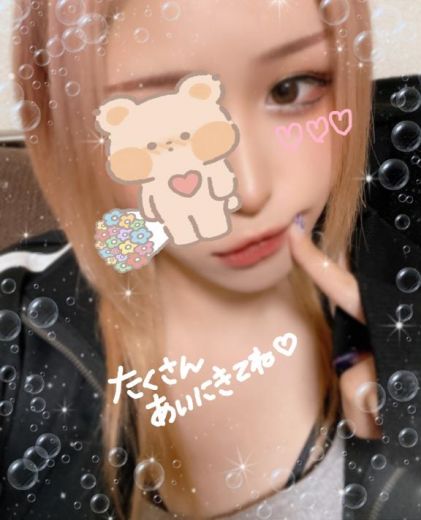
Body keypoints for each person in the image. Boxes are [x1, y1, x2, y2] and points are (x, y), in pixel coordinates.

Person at [1, 0, 420, 518]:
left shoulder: (401, 259)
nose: (248, 190)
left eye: (290, 89)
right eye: (158, 106)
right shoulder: (19, 324)